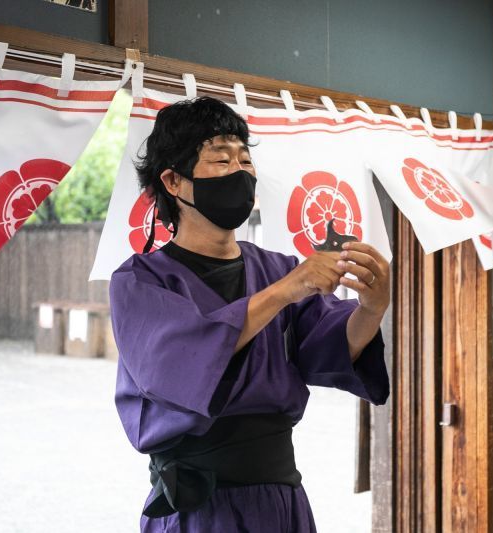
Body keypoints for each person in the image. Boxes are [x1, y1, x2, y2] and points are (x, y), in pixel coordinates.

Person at [109, 96, 391, 532]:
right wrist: (283, 292)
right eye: (222, 160)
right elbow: (176, 364)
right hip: (199, 508)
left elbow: (332, 347)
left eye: (245, 160)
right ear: (174, 181)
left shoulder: (277, 269)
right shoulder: (141, 281)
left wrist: (372, 308)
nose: (240, 172)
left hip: (280, 499)